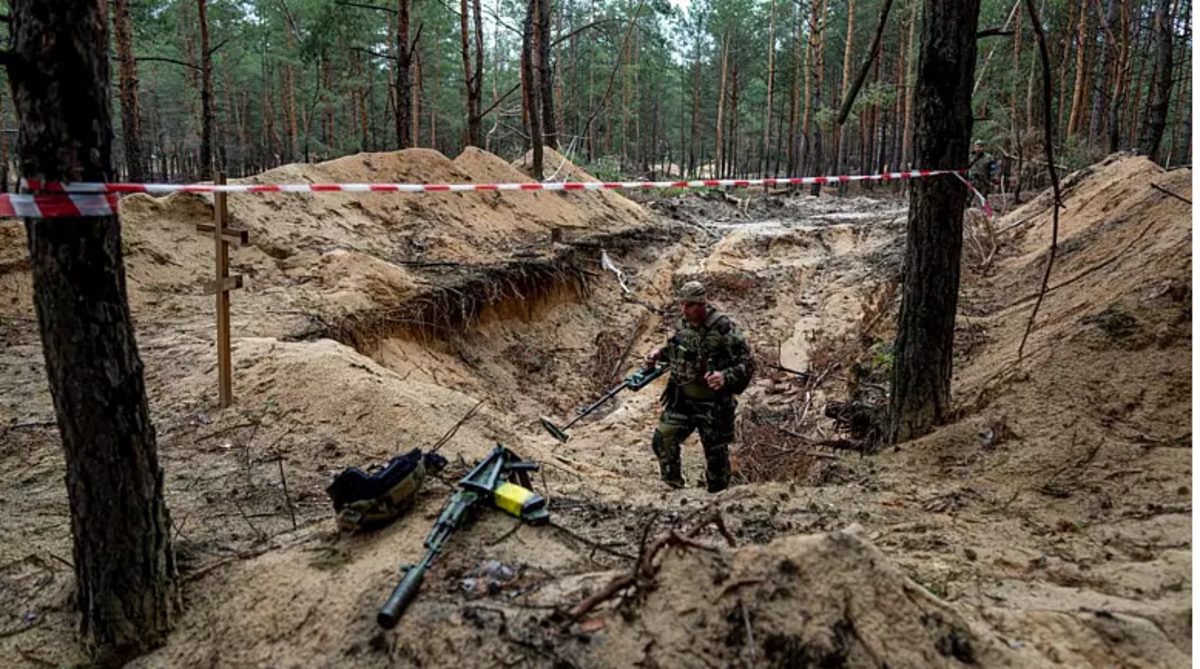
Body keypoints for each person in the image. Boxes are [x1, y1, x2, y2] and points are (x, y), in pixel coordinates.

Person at [643, 281, 754, 493]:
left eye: (690, 305)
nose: (684, 310)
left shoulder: (723, 329)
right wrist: (659, 354)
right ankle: (673, 489)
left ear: (701, 304)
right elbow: (678, 348)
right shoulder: (683, 323)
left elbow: (748, 364)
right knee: (663, 439)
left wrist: (725, 376)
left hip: (713, 405)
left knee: (716, 457)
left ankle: (717, 498)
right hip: (682, 398)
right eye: (682, 304)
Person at [967, 139, 997, 208]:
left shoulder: (989, 157)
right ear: (974, 147)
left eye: (980, 147)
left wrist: (993, 178)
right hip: (971, 180)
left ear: (983, 148)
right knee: (968, 198)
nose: (978, 149)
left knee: (983, 198)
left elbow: (993, 168)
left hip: (983, 181)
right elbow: (966, 167)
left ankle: (984, 213)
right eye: (977, 147)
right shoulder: (970, 156)